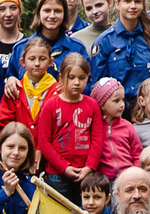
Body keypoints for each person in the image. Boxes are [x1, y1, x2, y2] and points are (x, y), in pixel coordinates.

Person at [34, 53, 101, 194]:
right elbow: (44, 142)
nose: (77, 82)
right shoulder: (50, 105)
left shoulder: (92, 105)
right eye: (71, 78)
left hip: (86, 172)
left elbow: (97, 140)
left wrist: (89, 167)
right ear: (62, 78)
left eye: (82, 78)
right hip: (57, 174)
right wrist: (63, 167)